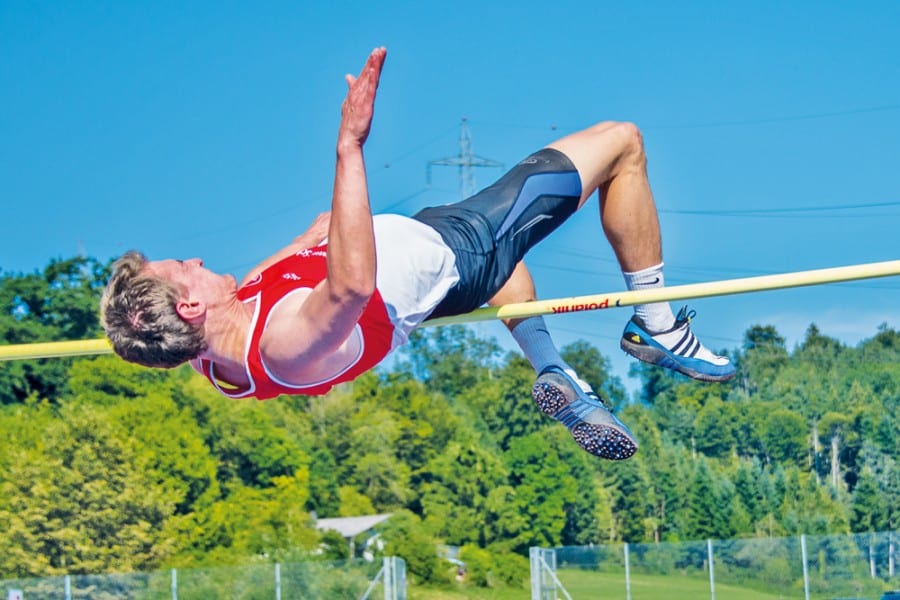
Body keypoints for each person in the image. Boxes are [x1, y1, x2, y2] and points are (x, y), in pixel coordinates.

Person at [101, 47, 734, 462]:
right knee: (621, 141)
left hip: (434, 269)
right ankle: (657, 324)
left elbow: (185, 318)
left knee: (507, 275)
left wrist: (307, 238)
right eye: (182, 269)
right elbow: (349, 290)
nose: (192, 258)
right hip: (458, 249)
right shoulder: (280, 348)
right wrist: (350, 146)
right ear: (187, 307)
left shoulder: (211, 351)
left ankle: (554, 370)